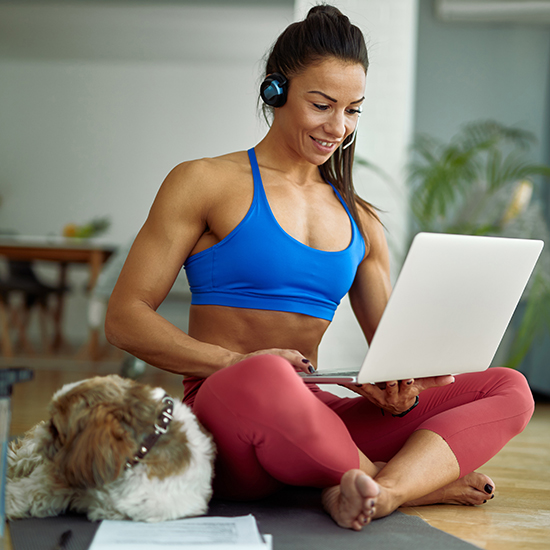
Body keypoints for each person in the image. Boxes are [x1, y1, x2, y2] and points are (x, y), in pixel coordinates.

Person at [105, 5, 534, 531]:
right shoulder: (203, 181)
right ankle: (391, 478)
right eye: (322, 104)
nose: (338, 127)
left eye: (353, 110)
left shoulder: (360, 219)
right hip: (229, 416)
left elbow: (397, 360)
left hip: (317, 415)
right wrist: (232, 362)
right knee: (263, 373)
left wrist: (398, 393)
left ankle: (385, 491)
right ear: (275, 92)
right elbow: (124, 317)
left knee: (508, 387)